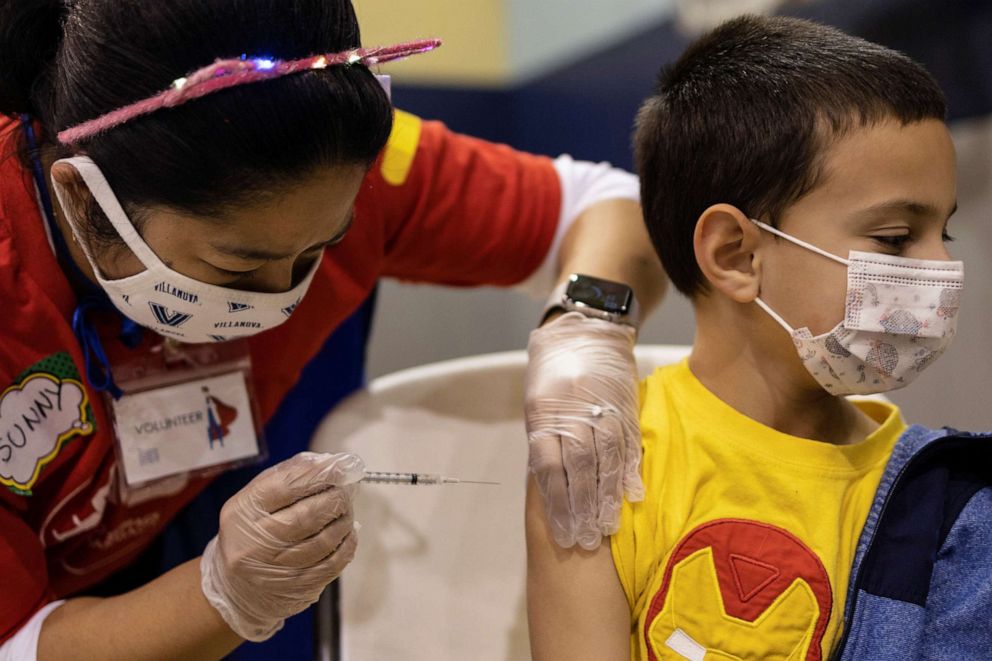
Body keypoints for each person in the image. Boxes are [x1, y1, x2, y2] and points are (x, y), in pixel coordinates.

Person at [0, 0, 668, 658]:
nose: (280, 303)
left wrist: (586, 326)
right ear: (86, 199)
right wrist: (219, 595)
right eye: (238, 266)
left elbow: (609, 207)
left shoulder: (330, 159)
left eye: (318, 252)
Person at [527, 15, 992, 661]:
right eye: (893, 238)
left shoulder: (935, 494)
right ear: (736, 255)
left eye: (945, 233)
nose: (941, 269)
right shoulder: (604, 457)